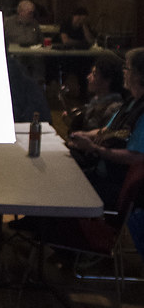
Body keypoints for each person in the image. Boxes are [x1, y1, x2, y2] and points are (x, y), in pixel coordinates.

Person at [67, 47, 144, 209]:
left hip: (115, 183)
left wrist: (96, 149)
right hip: (102, 171)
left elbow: (136, 157)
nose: (124, 72)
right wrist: (85, 134)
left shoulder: (142, 111)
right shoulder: (130, 102)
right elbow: (106, 130)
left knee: (63, 186)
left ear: (138, 75)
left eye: (127, 68)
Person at [61, 52, 123, 133]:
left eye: (94, 74)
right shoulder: (96, 101)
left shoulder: (113, 108)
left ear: (107, 81)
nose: (88, 77)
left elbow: (100, 137)